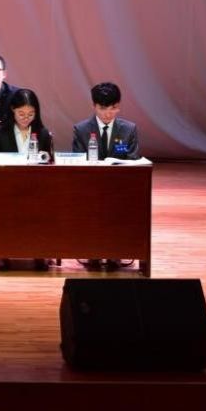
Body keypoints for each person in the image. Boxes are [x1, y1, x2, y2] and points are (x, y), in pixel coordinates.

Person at [71, 81, 140, 271]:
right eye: (103, 108)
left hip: (119, 189)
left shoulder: (129, 129)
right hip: (90, 189)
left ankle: (117, 251)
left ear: (119, 106)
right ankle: (92, 251)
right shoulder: (81, 129)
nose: (108, 113)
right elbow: (78, 163)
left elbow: (133, 161)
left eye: (113, 108)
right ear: (94, 106)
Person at [0, 88, 54, 272]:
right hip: (6, 186)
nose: (26, 118)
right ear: (12, 110)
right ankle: (3, 253)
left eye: (31, 114)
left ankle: (40, 252)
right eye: (21, 114)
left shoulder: (42, 133)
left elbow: (48, 163)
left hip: (35, 187)